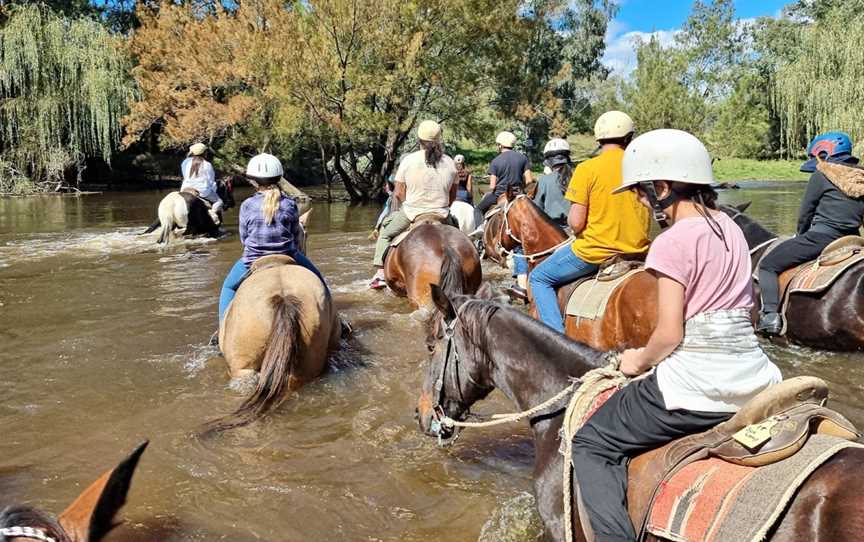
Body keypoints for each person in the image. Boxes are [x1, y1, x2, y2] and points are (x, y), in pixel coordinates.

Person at [571, 129, 782, 542]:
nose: (639, 200)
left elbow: (669, 334)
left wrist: (637, 360)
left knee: (591, 442)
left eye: (642, 192)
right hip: (757, 376)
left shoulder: (671, 242)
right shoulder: (731, 228)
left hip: (698, 384)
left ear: (663, 187)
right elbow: (751, 308)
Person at [529, 111, 649, 333]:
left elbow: (575, 223)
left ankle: (556, 338)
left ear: (598, 139)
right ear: (629, 137)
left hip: (595, 253)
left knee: (538, 278)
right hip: (639, 251)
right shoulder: (643, 167)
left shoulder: (587, 169)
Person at [756, 131, 864, 335]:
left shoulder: (821, 174)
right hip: (853, 241)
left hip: (821, 238)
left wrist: (801, 235)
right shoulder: (861, 177)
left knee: (769, 265)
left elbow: (806, 213)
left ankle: (770, 316)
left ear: (823, 153)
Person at [218, 153, 327, 323]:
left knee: (228, 287)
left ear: (253, 180)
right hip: (288, 255)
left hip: (253, 259)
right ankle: (337, 322)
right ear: (279, 177)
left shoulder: (247, 205)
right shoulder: (290, 203)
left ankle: (221, 329)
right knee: (319, 280)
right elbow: (294, 233)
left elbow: (244, 238)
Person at [369, 120, 458, 289]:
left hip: (412, 213)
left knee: (385, 234)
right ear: (439, 139)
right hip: (441, 214)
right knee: (460, 237)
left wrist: (407, 204)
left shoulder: (408, 160)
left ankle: (380, 274)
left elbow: (399, 192)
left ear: (419, 139)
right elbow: (452, 196)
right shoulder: (450, 163)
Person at [507, 138, 574, 300]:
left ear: (548, 161)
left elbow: (535, 212)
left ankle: (522, 286)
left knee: (519, 248)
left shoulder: (544, 181)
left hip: (553, 236)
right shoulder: (580, 176)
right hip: (576, 232)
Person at [476, 131, 532, 214]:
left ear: (500, 145)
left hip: (499, 194)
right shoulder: (523, 158)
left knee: (478, 210)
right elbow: (529, 181)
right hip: (519, 194)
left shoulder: (495, 161)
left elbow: (492, 186)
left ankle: (479, 227)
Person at [181, 143, 224, 223]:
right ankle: (212, 214)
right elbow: (211, 181)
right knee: (219, 202)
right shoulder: (207, 164)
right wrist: (214, 190)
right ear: (205, 153)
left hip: (186, 189)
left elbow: (185, 177)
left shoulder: (187, 163)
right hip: (202, 191)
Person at [533, 138, 573, 225]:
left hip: (553, 230)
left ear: (548, 161)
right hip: (575, 228)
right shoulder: (577, 177)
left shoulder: (544, 180)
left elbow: (537, 209)